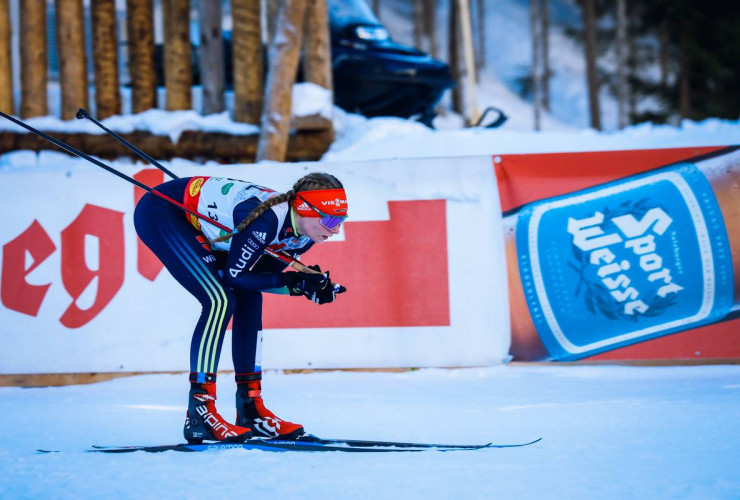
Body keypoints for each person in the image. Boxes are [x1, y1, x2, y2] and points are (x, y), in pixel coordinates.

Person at [134, 172, 348, 443]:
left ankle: (250, 409)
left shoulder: (303, 234)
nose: (335, 229)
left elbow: (256, 280)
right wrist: (293, 282)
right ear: (305, 209)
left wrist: (305, 287)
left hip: (201, 224)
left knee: (249, 296)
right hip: (164, 212)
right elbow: (235, 276)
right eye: (330, 220)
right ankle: (200, 411)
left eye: (341, 221)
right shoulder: (267, 221)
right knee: (219, 300)